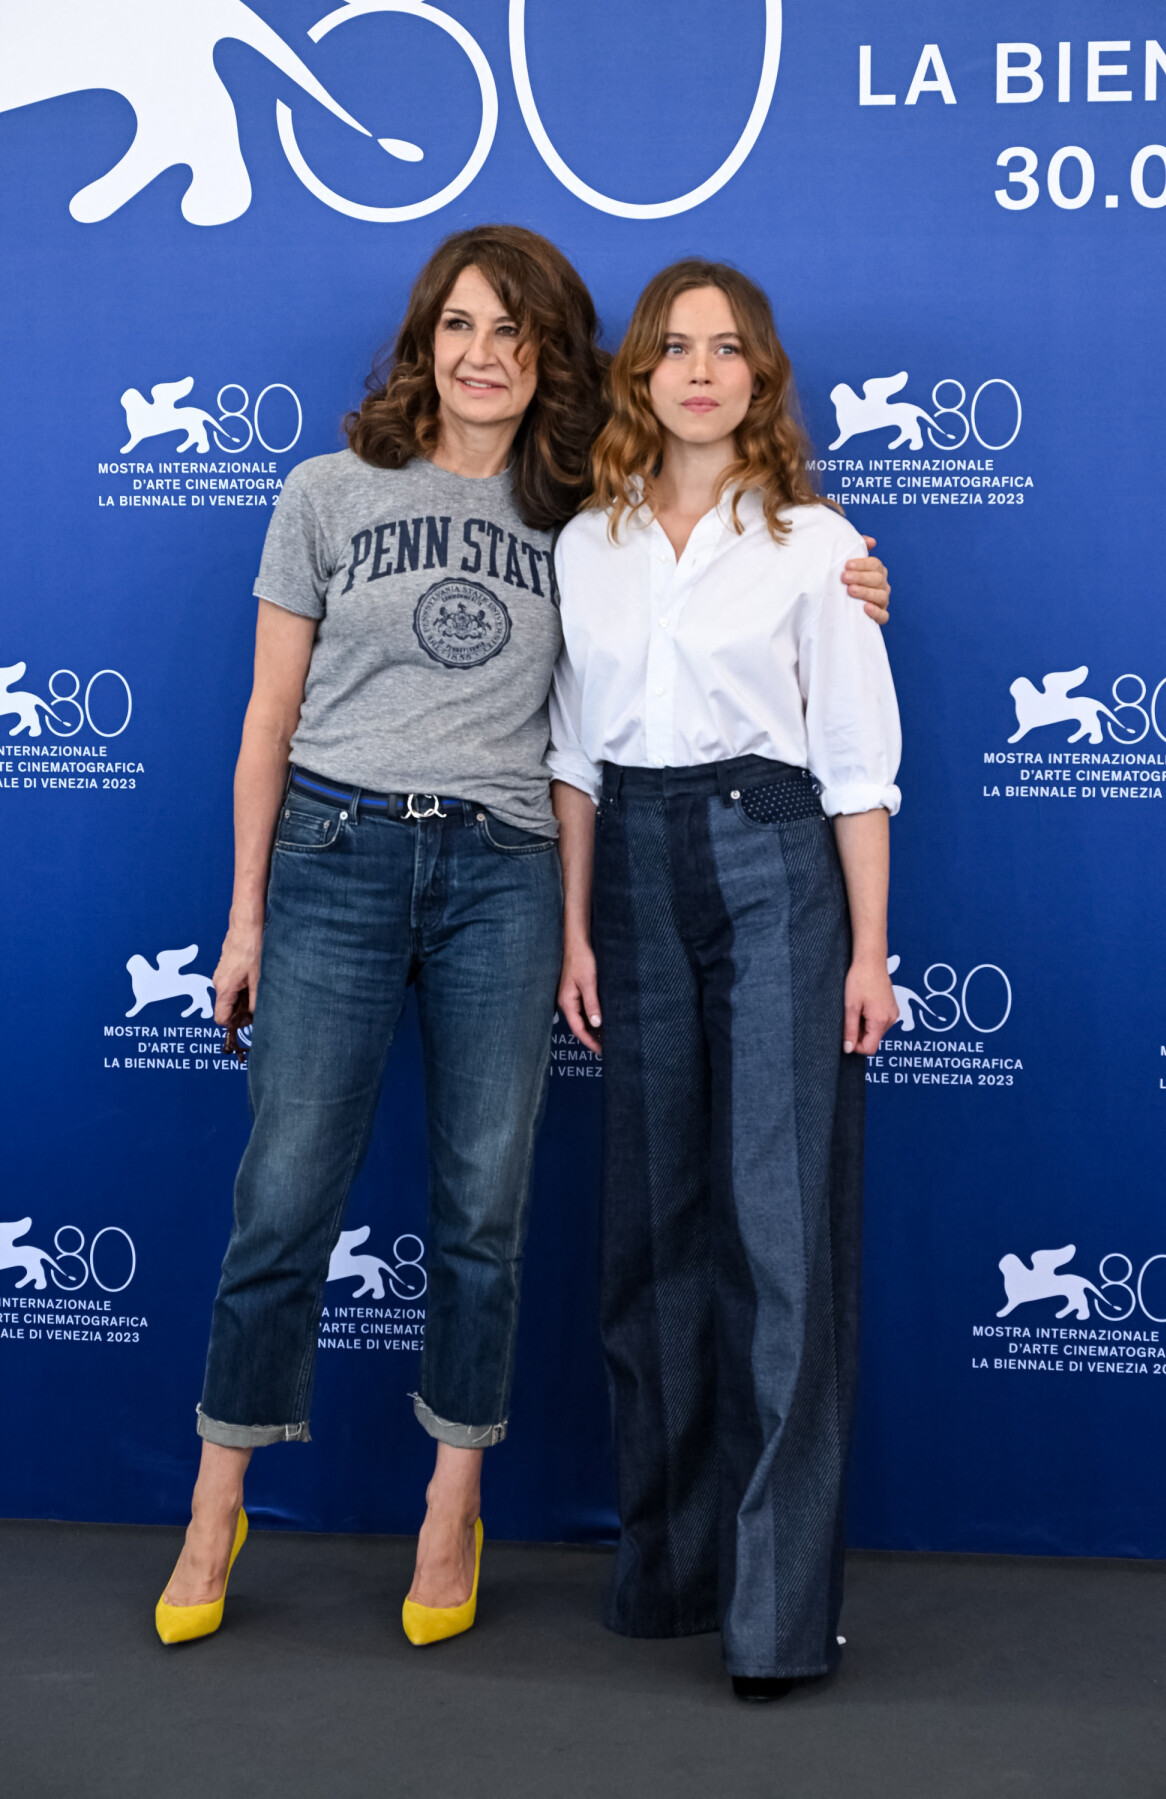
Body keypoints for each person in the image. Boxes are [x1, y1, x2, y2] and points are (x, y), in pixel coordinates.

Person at [155, 228, 893, 1649]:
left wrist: (850, 574)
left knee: (504, 1215)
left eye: (516, 334)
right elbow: (273, 717)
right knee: (290, 1193)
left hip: (539, 866)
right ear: (424, 338)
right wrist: (245, 913)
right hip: (358, 853)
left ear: (554, 363)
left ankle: (467, 1520)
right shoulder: (369, 498)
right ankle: (213, 1509)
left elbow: (785, 682)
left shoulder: (596, 512)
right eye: (460, 325)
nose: (483, 354)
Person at [550, 261, 901, 1701]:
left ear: (762, 376)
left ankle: (774, 1614)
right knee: (648, 1230)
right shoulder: (587, 542)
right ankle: (676, 1571)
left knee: (778, 1237)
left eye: (729, 347)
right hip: (628, 863)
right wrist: (572, 930)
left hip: (772, 865)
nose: (701, 369)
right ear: (639, 374)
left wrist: (871, 952)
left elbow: (859, 763)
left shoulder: (821, 546)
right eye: (675, 347)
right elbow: (570, 753)